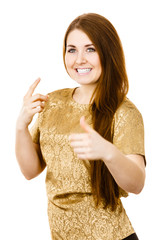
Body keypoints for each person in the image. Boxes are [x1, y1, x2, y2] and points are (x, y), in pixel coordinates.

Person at [15, 13, 146, 240]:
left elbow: (136, 184)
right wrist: (21, 126)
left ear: (108, 52)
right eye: (72, 49)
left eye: (91, 49)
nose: (79, 59)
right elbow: (30, 170)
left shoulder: (124, 112)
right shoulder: (53, 102)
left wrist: (108, 152)